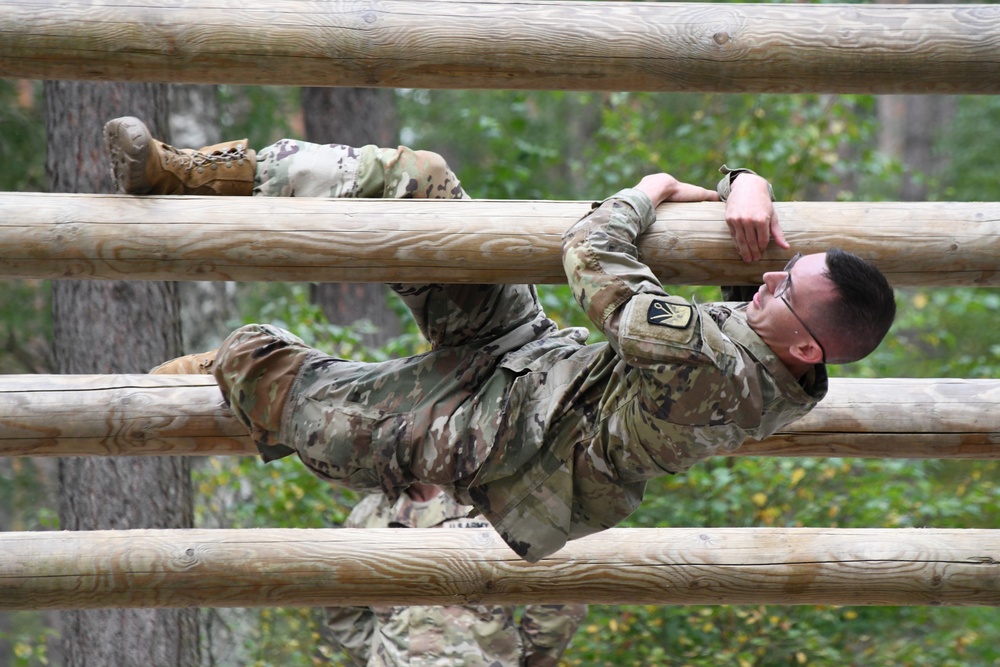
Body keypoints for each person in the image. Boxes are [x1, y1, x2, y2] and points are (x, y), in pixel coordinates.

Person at [107, 116, 896, 563]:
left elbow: (592, 251)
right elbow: (751, 261)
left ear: (805, 345)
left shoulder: (711, 363)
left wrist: (653, 187)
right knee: (421, 180)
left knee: (294, 392)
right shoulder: (779, 356)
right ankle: (188, 173)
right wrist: (741, 182)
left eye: (785, 287)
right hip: (531, 357)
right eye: (781, 272)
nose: (767, 280)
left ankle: (224, 366)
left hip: (497, 439)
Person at [325, 482, 587, 666]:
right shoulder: (369, 515)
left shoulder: (496, 504)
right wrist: (380, 657)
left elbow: (560, 590)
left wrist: (524, 659)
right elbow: (343, 603)